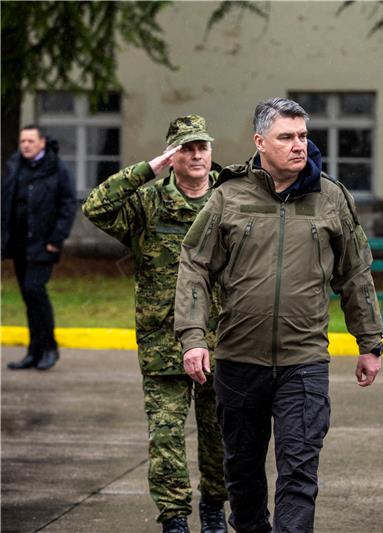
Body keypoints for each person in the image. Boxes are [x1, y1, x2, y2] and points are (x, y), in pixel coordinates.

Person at [174, 98, 383, 533]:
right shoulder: (228, 196)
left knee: (299, 473)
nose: (298, 145)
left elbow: (355, 273)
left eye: (303, 136)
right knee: (244, 477)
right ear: (260, 142)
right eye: (286, 137)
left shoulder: (331, 198)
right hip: (238, 362)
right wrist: (193, 336)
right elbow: (194, 264)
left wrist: (370, 343)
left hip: (303, 363)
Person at [82, 115, 228, 533]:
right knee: (165, 438)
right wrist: (148, 169)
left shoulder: (228, 199)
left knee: (220, 435)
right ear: (173, 155)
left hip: (222, 339)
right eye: (186, 148)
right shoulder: (149, 204)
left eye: (202, 146)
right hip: (163, 342)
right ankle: (175, 518)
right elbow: (96, 207)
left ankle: (215, 507)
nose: (196, 154)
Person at [2, 125, 76, 371]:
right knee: (28, 297)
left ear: (42, 142)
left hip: (44, 243)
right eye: (22, 141)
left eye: (31, 141)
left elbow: (67, 205)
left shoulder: (56, 168)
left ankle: (49, 347)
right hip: (19, 244)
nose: (25, 145)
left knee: (36, 291)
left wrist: (57, 239)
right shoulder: (15, 166)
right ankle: (33, 351)